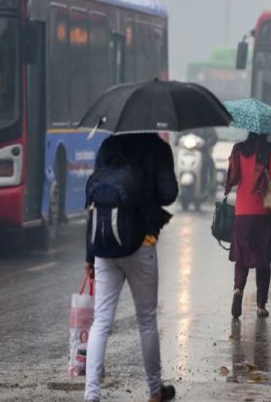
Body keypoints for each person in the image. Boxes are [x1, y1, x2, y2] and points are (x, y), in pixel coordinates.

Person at [84, 133, 178, 402]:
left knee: (101, 321)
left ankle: (91, 396)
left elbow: (96, 203)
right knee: (146, 320)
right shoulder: (157, 148)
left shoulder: (107, 146)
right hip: (141, 243)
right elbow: (169, 194)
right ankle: (154, 391)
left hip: (105, 244)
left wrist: (90, 256)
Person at [225, 132, 271, 318]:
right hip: (263, 213)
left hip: (242, 212)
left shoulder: (238, 149)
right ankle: (261, 306)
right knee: (263, 260)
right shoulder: (269, 149)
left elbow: (232, 177)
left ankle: (237, 289)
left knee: (242, 257)